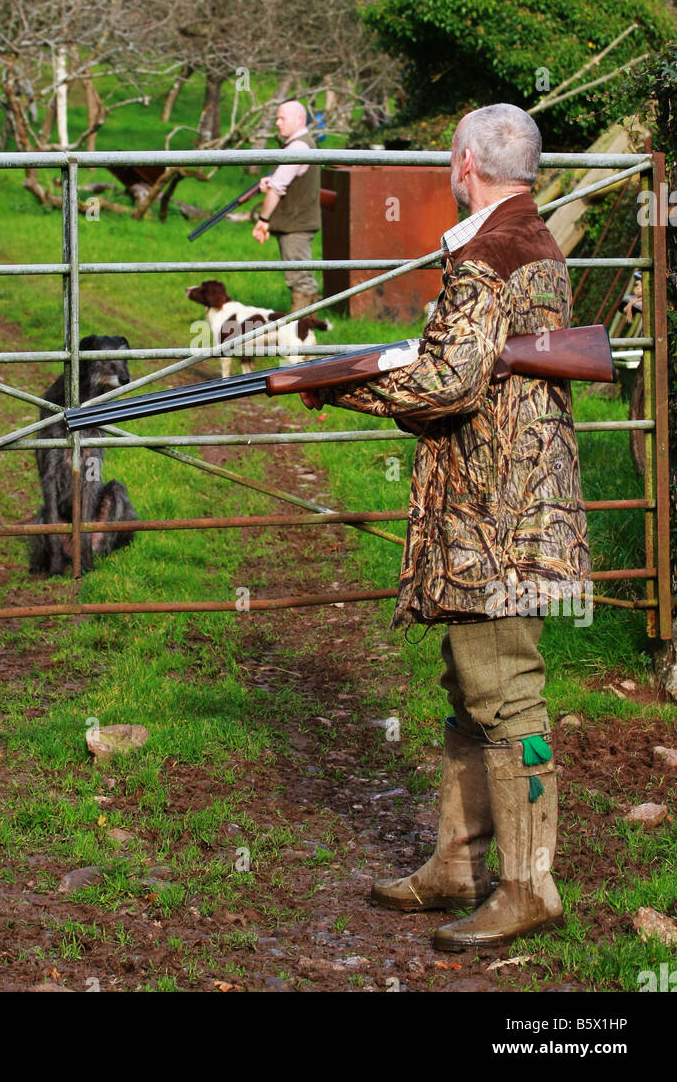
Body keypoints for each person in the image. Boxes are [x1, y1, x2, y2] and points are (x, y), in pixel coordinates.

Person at [301, 103, 591, 951]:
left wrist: (343, 383)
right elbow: (483, 368)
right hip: (503, 505)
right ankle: (455, 867)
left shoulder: (489, 256)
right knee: (473, 694)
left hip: (498, 521)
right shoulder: (531, 240)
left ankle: (528, 887)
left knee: (506, 699)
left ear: (464, 161)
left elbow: (451, 384)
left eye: (448, 154)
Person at [252, 99, 321, 314]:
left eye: (282, 118)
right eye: (277, 118)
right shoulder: (301, 143)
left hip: (296, 224)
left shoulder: (299, 146)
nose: (278, 123)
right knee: (301, 277)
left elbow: (278, 187)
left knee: (300, 280)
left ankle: (302, 337)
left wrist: (263, 220)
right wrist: (269, 181)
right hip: (297, 222)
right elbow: (283, 179)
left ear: (299, 119)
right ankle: (307, 334)